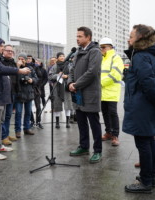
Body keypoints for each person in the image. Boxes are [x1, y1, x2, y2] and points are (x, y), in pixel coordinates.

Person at [123, 24, 155, 193]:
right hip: (148, 107)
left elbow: (148, 83)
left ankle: (146, 181)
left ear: (140, 38)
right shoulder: (153, 56)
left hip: (141, 107)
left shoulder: (141, 56)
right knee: (149, 142)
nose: (129, 39)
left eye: (131, 36)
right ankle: (150, 177)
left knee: (143, 144)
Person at [0, 36, 30, 160]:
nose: (2, 48)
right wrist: (19, 71)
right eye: (1, 46)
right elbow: (1, 69)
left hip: (2, 96)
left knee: (0, 122)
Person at [67, 27, 102, 163]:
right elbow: (71, 70)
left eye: (80, 36)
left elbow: (92, 72)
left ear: (88, 37)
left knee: (94, 123)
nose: (77, 38)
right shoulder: (77, 52)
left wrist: (76, 85)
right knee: (81, 122)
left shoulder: (95, 52)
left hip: (89, 93)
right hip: (78, 93)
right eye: (77, 36)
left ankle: (98, 150)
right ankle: (84, 146)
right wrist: (70, 82)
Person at [134, 55, 155, 181]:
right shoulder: (137, 53)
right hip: (142, 102)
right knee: (143, 134)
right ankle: (146, 161)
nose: (128, 40)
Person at [99, 37, 124, 146]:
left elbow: (115, 74)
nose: (102, 49)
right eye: (101, 47)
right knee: (104, 113)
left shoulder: (116, 58)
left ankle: (115, 135)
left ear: (110, 47)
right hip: (102, 91)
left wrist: (100, 83)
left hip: (112, 91)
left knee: (113, 113)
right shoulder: (101, 59)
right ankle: (108, 132)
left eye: (103, 47)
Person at [14, 53, 38, 138]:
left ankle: (26, 128)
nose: (21, 60)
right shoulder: (15, 68)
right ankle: (18, 130)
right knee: (18, 113)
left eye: (22, 59)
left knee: (28, 113)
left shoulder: (30, 68)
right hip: (19, 94)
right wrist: (17, 67)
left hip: (29, 93)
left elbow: (36, 78)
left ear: (25, 60)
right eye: (19, 59)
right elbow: (13, 79)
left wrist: (32, 80)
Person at [49, 52, 73, 129]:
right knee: (57, 105)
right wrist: (57, 75)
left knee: (68, 105)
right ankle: (57, 122)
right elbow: (50, 76)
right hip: (57, 87)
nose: (62, 57)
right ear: (57, 58)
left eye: (63, 56)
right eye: (60, 56)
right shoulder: (54, 66)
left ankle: (67, 122)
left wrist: (67, 76)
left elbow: (73, 75)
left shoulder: (68, 65)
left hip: (66, 87)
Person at [1, 45, 18, 145]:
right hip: (4, 93)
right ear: (3, 51)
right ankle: (3, 136)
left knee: (8, 116)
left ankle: (6, 134)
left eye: (12, 51)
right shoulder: (1, 62)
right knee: (3, 117)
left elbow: (16, 77)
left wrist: (17, 91)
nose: (10, 52)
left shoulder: (13, 63)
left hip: (13, 93)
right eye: (8, 51)